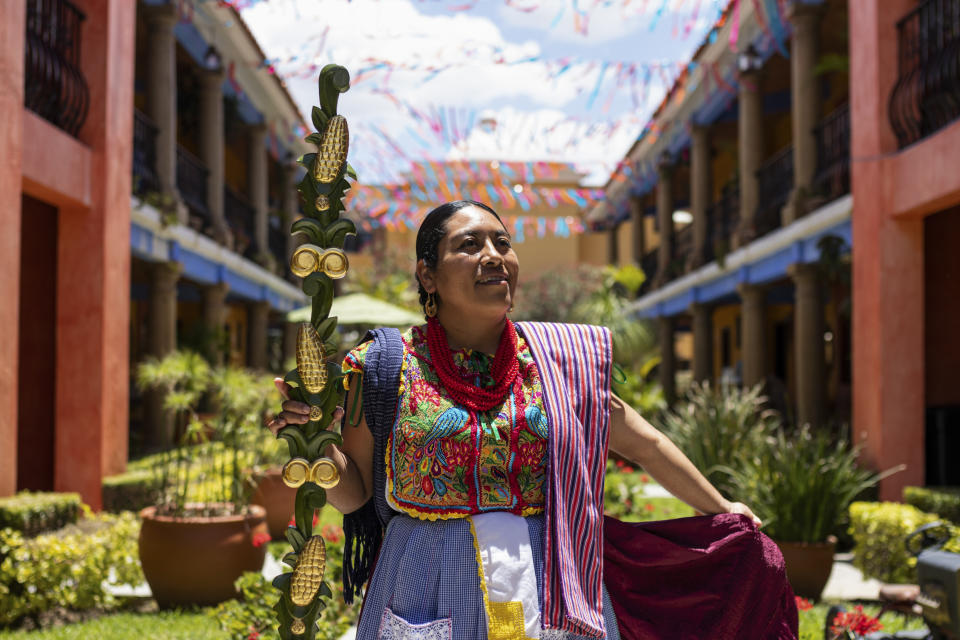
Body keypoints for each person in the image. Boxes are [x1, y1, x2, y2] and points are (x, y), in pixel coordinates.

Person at [268, 200, 797, 640]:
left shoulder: (558, 361)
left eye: (503, 242)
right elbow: (356, 495)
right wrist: (315, 447)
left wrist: (723, 507)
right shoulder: (382, 367)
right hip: (424, 581)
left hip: (548, 584)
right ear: (427, 273)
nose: (494, 255)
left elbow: (646, 444)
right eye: (470, 244)